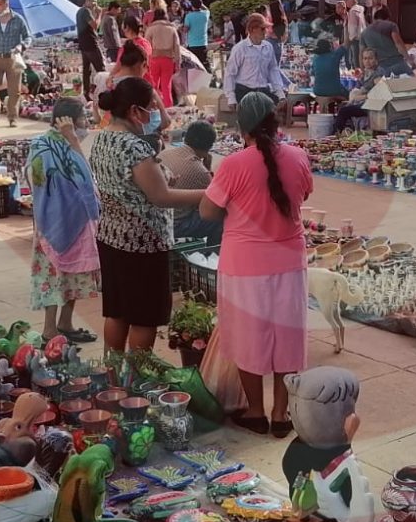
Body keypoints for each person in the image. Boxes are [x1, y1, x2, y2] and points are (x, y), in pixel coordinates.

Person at [199, 92, 314, 437]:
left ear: (242, 128)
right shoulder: (298, 156)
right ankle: (281, 414)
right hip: (289, 261)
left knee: (248, 338)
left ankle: (255, 411)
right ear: (276, 123)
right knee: (287, 338)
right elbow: (303, 195)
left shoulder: (233, 164)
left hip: (244, 265)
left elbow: (207, 211)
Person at [90, 77, 205, 352]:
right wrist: (208, 194)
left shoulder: (102, 137)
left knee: (117, 311)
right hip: (142, 243)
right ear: (134, 111)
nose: (154, 113)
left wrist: (161, 178)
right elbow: (161, 196)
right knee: (144, 318)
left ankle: (113, 371)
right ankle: (137, 374)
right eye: (151, 107)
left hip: (111, 237)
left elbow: (130, 184)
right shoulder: (135, 147)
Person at [26, 97, 100, 343]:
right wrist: (73, 139)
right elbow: (84, 176)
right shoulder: (47, 145)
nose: (86, 123)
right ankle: (50, 330)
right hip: (54, 222)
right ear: (68, 120)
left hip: (74, 221)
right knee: (52, 276)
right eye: (83, 118)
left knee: (72, 276)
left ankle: (65, 323)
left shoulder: (58, 143)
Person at [159, 121, 224, 245]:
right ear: (209, 146)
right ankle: (212, 252)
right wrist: (207, 169)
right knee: (220, 214)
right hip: (175, 226)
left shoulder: (164, 154)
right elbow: (214, 199)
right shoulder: (199, 171)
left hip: (159, 219)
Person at [224, 13, 287, 106]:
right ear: (253, 29)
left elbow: (273, 70)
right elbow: (230, 73)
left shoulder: (268, 47)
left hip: (263, 90)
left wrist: (280, 93)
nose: (266, 31)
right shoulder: (240, 48)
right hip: (244, 92)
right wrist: (231, 98)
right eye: (262, 29)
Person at [332, 49, 392, 133]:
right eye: (365, 58)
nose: (367, 61)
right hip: (362, 101)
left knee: (344, 111)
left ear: (376, 60)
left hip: (371, 105)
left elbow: (379, 92)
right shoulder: (365, 73)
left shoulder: (378, 73)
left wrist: (362, 96)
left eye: (370, 58)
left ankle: (336, 133)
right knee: (343, 107)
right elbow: (357, 89)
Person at [144, 7, 183, 107]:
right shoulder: (172, 28)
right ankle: (168, 107)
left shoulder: (150, 28)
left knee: (153, 85)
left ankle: (155, 106)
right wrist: (178, 62)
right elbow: (177, 46)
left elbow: (146, 46)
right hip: (168, 59)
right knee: (167, 85)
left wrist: (145, 62)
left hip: (153, 59)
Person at [361, 7, 411, 76]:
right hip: (396, 62)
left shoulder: (364, 32)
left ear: (374, 18)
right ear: (387, 18)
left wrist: (362, 70)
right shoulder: (391, 25)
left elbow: (361, 52)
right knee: (412, 78)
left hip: (379, 67)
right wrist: (409, 59)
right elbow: (398, 43)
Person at [76, 0, 105, 103]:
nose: (95, 4)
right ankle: (105, 93)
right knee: (101, 69)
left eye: (96, 2)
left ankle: (86, 93)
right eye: (93, 1)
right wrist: (100, 14)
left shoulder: (80, 11)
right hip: (91, 44)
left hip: (84, 44)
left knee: (86, 71)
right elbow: (95, 25)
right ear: (87, 0)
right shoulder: (86, 11)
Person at [183, 0, 211, 72]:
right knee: (203, 63)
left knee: (194, 65)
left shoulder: (189, 16)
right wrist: (201, 4)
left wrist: (180, 28)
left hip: (192, 44)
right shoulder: (206, 14)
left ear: (192, 5)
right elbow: (206, 9)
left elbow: (185, 30)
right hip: (203, 43)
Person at [341, 0, 367, 66]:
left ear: (352, 0)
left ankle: (357, 72)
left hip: (355, 39)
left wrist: (350, 39)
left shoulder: (353, 11)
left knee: (355, 60)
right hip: (362, 37)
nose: (346, 2)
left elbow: (353, 27)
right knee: (360, 58)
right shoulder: (360, 9)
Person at [100, 0, 124, 65]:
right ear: (113, 9)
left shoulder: (105, 17)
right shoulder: (110, 19)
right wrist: (119, 46)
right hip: (113, 48)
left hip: (108, 46)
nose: (118, 12)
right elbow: (114, 35)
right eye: (118, 10)